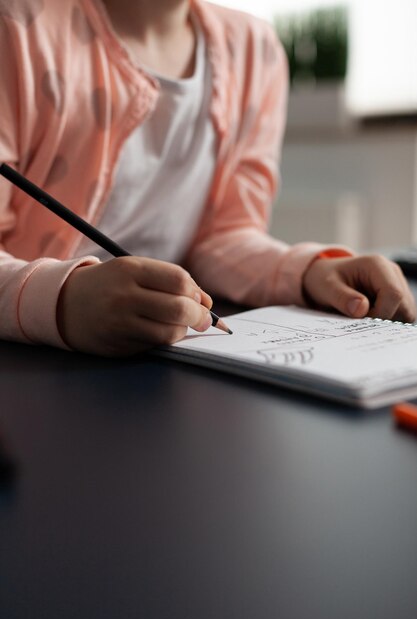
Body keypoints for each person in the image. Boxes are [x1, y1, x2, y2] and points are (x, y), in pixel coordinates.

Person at [0, 0, 415, 357]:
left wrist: (307, 272)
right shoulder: (16, 28)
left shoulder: (256, 52)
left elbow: (225, 236)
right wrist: (62, 300)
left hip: (165, 353)